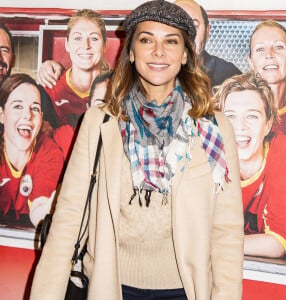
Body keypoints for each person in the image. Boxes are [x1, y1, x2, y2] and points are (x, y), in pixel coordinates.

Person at [30, 1, 244, 299]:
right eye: (147, 40)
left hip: (185, 289)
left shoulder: (214, 128)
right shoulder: (100, 122)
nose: (159, 51)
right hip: (111, 285)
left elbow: (227, 232)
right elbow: (68, 217)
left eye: (171, 41)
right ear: (130, 52)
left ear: (185, 54)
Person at [214, 72, 286, 258]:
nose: (240, 127)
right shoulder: (207, 161)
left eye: (252, 116)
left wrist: (209, 244)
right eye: (230, 116)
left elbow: (275, 244)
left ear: (268, 124)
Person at [43, 9, 110, 160]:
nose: (85, 46)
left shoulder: (118, 90)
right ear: (67, 44)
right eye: (77, 38)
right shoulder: (49, 89)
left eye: (94, 38)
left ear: (105, 45)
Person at [0, 73, 64, 228]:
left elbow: (40, 205)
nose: (27, 115)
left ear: (41, 118)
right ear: (1, 114)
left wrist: (44, 216)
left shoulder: (50, 152)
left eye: (34, 108)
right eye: (17, 106)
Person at [247, 20, 286, 137]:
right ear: (250, 61)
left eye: (278, 47)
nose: (269, 54)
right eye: (260, 49)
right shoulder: (237, 109)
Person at [174, 0, 242, 88]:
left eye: (194, 25)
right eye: (178, 26)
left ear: (207, 31)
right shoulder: (155, 71)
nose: (187, 34)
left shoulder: (228, 75)